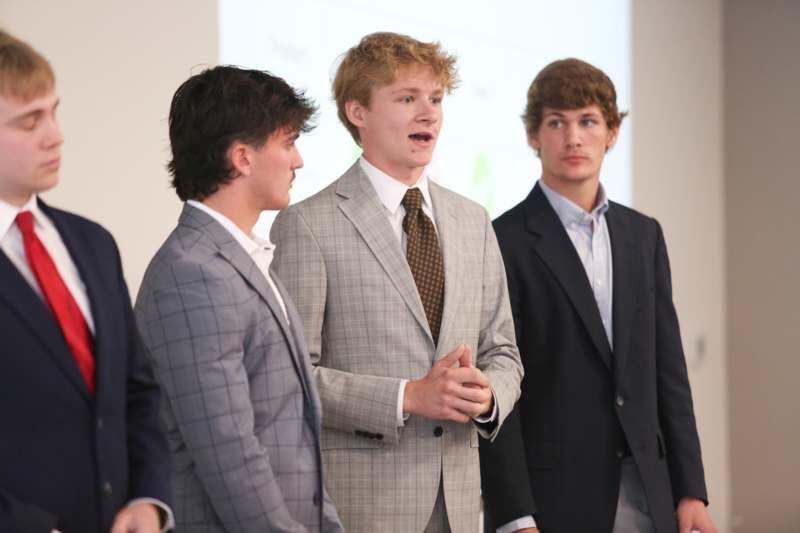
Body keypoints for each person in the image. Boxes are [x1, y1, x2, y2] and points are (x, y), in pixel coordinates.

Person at [270, 32, 523, 533]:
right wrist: (408, 396)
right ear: (357, 112)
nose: (428, 114)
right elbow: (291, 379)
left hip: (459, 504)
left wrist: (489, 395)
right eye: (407, 98)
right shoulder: (308, 225)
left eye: (435, 99)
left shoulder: (473, 220)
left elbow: (504, 352)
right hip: (362, 509)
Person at [479, 58, 717, 533]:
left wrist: (691, 490)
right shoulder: (500, 238)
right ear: (533, 136)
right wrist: (513, 515)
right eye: (556, 122)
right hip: (551, 501)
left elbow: (668, 371)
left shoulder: (643, 234)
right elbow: (497, 384)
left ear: (611, 133)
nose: (573, 138)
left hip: (650, 490)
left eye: (588, 121)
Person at [134, 66, 344, 533]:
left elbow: (296, 436)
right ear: (243, 157)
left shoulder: (244, 259)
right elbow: (228, 451)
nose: (299, 161)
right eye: (288, 143)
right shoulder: (193, 273)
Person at [0, 30, 172, 533]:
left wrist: (149, 499)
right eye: (30, 121)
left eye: (53, 111)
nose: (55, 135)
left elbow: (138, 392)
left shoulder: (93, 243)